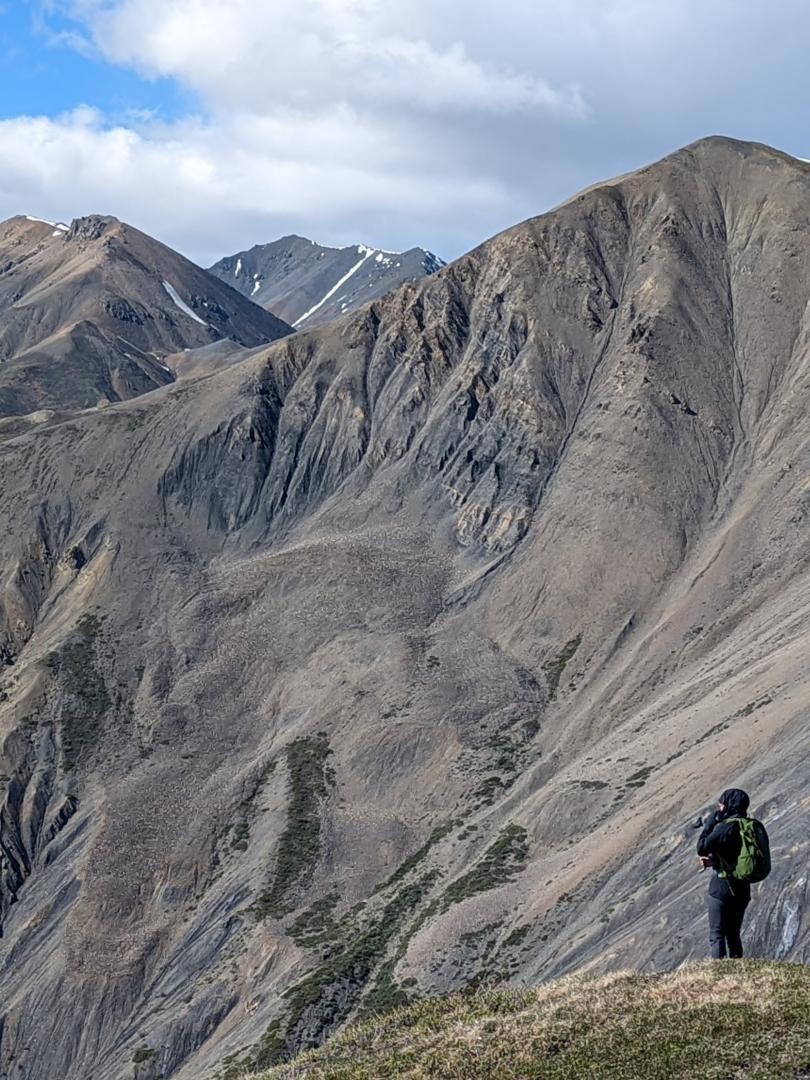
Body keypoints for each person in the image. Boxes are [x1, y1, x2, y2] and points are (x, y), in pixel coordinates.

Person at [696, 788, 752, 959]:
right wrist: (714, 862)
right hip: (742, 888)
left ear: (728, 805)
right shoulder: (747, 827)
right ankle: (735, 972)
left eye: (721, 803)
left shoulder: (725, 827)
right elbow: (738, 857)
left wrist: (711, 823)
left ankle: (719, 976)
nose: (719, 807)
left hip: (722, 888)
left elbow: (701, 847)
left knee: (717, 934)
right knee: (733, 934)